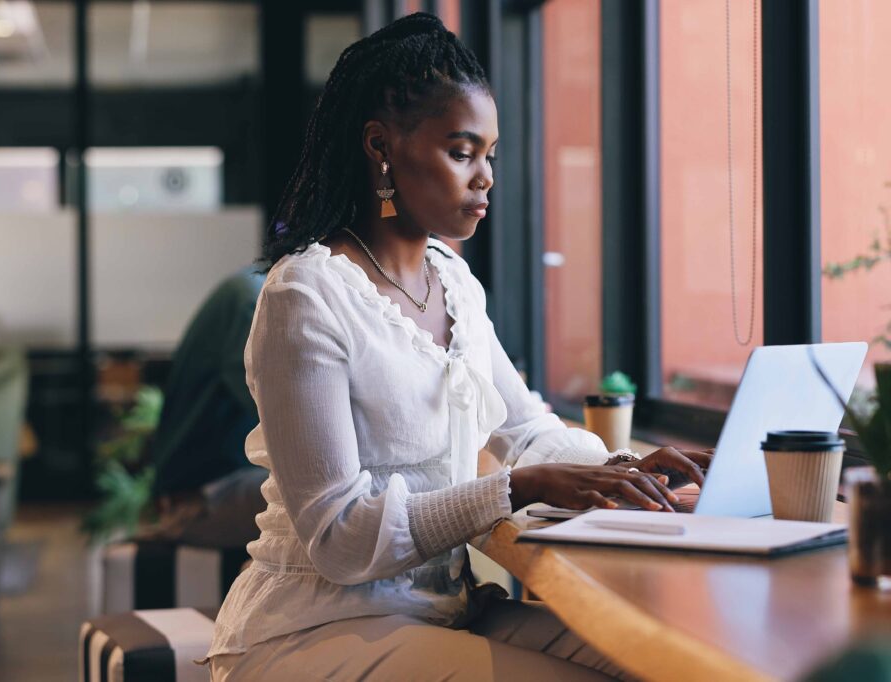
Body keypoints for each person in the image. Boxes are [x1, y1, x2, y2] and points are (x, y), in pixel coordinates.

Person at [205, 13, 712, 680]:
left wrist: (626, 469)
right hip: (314, 627)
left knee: (652, 666)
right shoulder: (305, 296)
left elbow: (527, 427)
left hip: (442, 609)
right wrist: (516, 487)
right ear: (381, 147)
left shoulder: (453, 281)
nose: (485, 178)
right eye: (461, 151)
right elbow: (340, 538)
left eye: (491, 155)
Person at [148, 266, 267, 553]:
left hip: (218, 487)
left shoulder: (253, 289)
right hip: (196, 502)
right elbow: (283, 423)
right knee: (320, 496)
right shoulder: (255, 303)